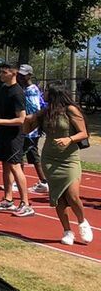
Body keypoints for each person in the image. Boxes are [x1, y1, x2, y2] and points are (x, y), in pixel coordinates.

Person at [23, 85, 93, 245]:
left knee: (72, 195)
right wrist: (27, 120)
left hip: (69, 158)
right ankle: (67, 231)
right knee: (58, 198)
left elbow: (84, 133)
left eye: (46, 91)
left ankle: (82, 222)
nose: (43, 93)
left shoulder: (71, 110)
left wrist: (69, 139)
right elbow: (27, 131)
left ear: (55, 93)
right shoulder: (45, 112)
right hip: (50, 159)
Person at [0, 62, 34, 217]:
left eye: (4, 72)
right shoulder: (4, 89)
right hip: (3, 134)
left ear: (13, 73)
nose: (1, 75)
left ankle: (25, 203)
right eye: (0, 72)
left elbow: (21, 119)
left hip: (14, 136)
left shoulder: (17, 92)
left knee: (15, 166)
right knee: (5, 165)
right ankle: (8, 199)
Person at [18, 64, 50, 194]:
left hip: (30, 129)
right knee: (32, 154)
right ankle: (44, 181)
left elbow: (35, 110)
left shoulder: (31, 90)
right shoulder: (26, 89)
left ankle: (18, 182)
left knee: (19, 154)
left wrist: (31, 126)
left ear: (30, 75)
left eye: (23, 75)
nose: (20, 77)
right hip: (29, 128)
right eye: (19, 75)